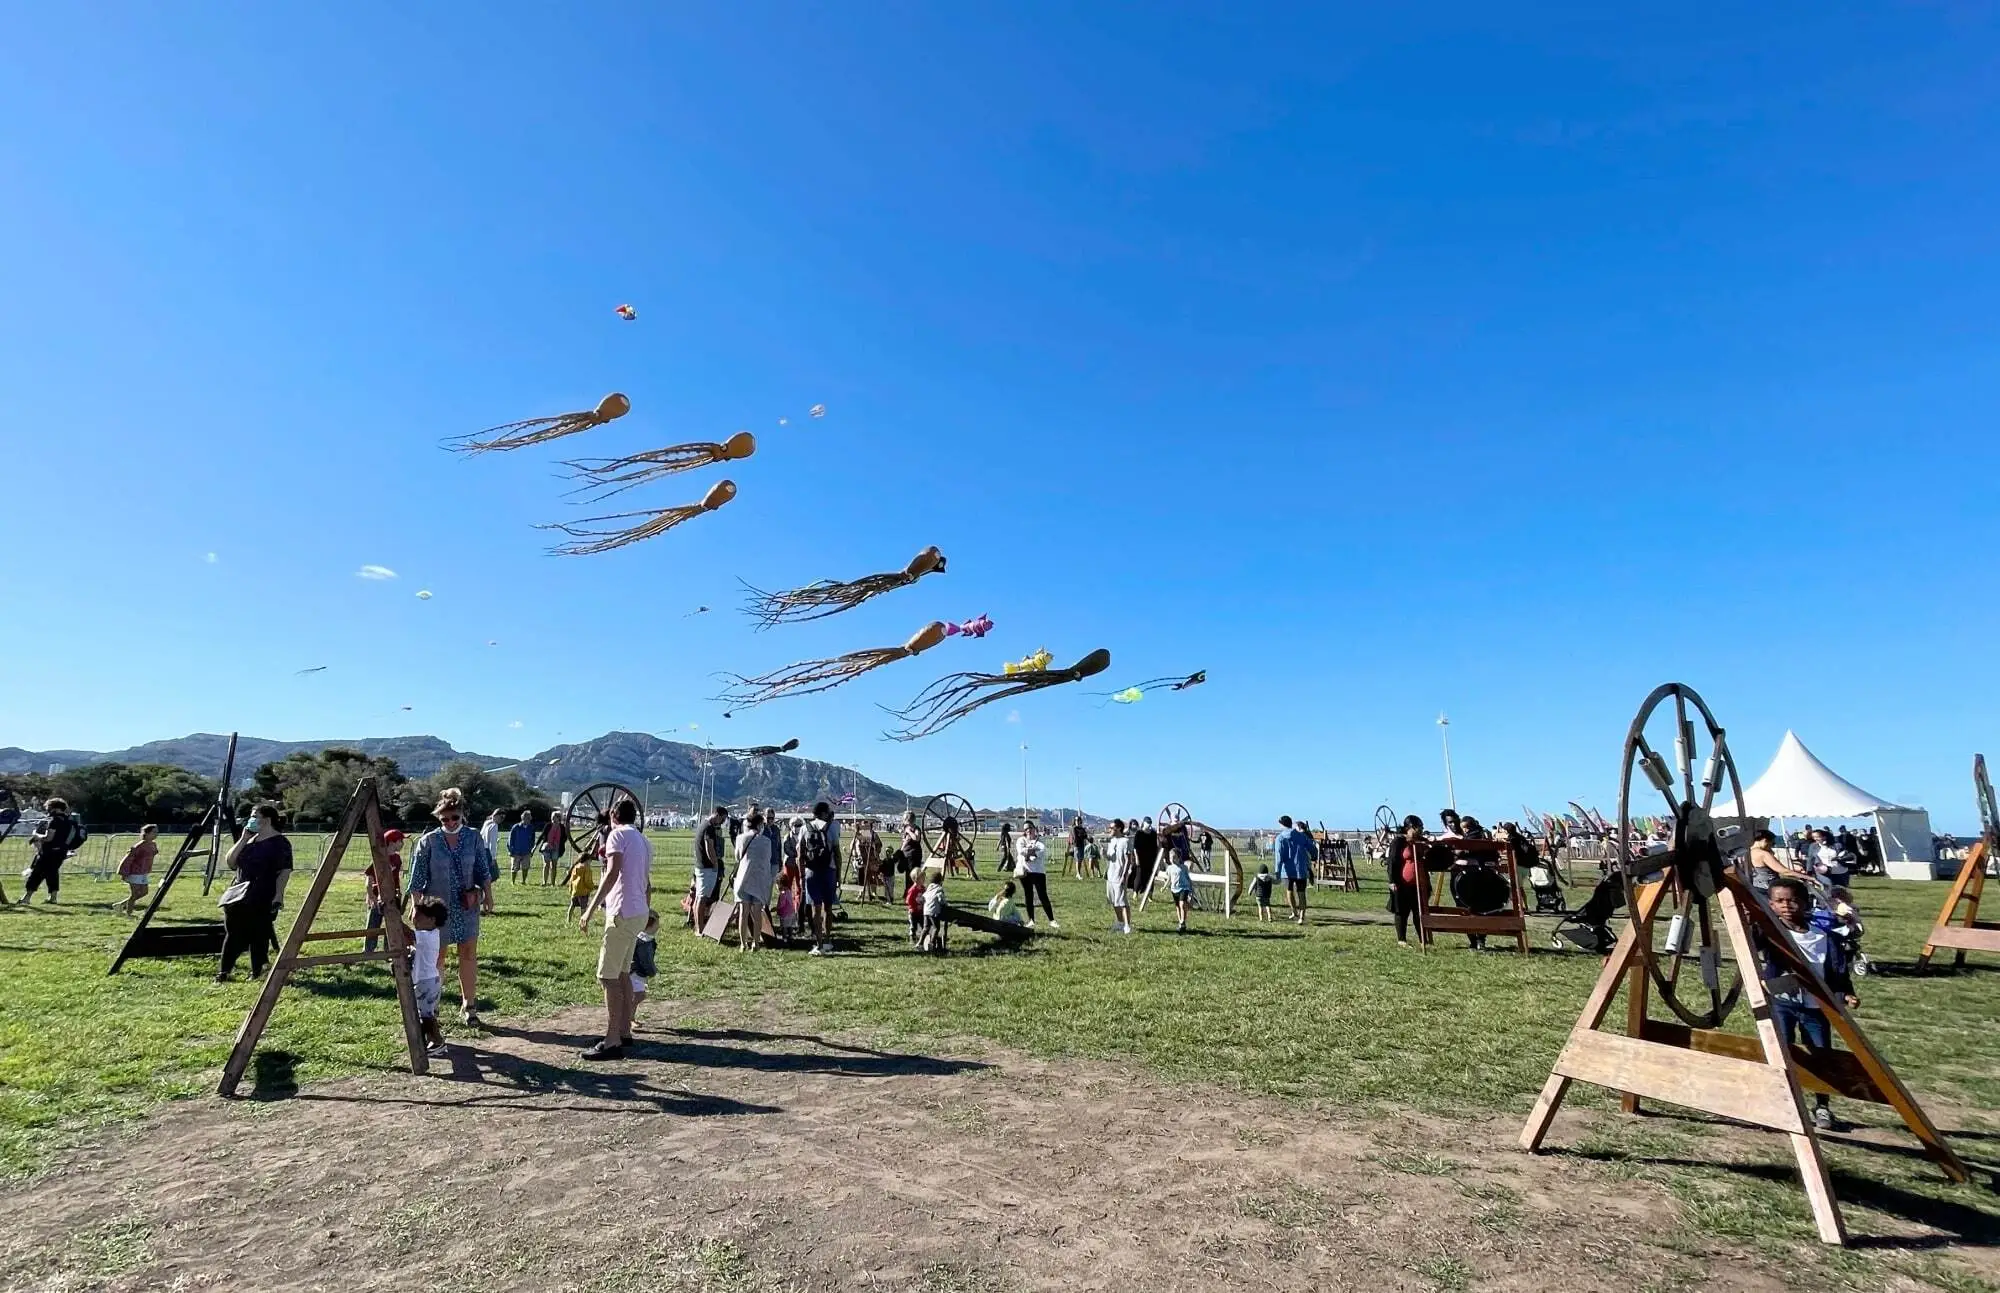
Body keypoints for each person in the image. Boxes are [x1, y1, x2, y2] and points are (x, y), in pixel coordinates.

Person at [1763, 877, 1858, 1131]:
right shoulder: (1770, 932)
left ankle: (1823, 1106)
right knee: (1781, 1051)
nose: (1786, 906)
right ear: (1771, 904)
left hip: (1816, 1007)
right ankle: (1780, 1104)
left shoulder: (1823, 936)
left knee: (1821, 1054)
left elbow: (1838, 972)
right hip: (1782, 1002)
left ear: (1804, 903)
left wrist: (1845, 992)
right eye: (1779, 901)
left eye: (1792, 900)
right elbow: (1752, 936)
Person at [410, 788, 498, 1027]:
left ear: (462, 815)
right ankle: (432, 1008)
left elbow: (483, 870)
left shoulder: (473, 838)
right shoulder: (428, 842)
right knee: (436, 958)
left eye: (454, 817)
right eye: (444, 819)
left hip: (467, 908)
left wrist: (487, 895)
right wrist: (417, 907)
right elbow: (417, 880)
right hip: (437, 910)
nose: (450, 823)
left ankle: (469, 1006)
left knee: (468, 955)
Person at [578, 798, 651, 1060]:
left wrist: (589, 908)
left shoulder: (616, 836)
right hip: (638, 912)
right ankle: (623, 1031)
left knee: (606, 977)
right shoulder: (643, 840)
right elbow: (645, 880)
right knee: (621, 973)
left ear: (613, 818)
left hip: (621, 912)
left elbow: (612, 872)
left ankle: (611, 1041)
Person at [217, 802, 292, 981]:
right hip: (238, 892)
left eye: (254, 816)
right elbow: (231, 862)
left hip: (262, 892)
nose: (250, 820)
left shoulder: (280, 843)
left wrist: (279, 894)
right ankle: (224, 971)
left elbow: (285, 870)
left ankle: (257, 970)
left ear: (266, 820)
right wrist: (243, 839)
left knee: (258, 934)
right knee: (233, 933)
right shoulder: (250, 839)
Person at [409, 893, 450, 1058]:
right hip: (429, 981)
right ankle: (428, 1039)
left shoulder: (426, 936)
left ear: (432, 920)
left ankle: (438, 1041)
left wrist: (393, 917)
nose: (414, 921)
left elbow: (407, 935)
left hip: (426, 982)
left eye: (419, 918)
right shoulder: (430, 934)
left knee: (427, 1016)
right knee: (425, 1014)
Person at [22, 797, 81, 904]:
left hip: (49, 852)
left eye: (49, 807)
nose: (48, 810)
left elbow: (49, 838)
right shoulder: (69, 821)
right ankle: (53, 897)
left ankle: (26, 898)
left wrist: (37, 836)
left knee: (36, 873)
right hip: (61, 852)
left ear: (55, 808)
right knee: (52, 873)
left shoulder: (54, 821)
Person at [802, 801, 843, 955]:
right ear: (825, 813)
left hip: (812, 871)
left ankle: (818, 943)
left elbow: (800, 854)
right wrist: (838, 874)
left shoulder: (806, 828)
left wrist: (802, 873)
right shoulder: (831, 828)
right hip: (829, 870)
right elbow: (837, 854)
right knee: (828, 907)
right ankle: (827, 940)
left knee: (815, 907)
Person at [733, 808, 775, 951]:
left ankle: (742, 943)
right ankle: (756, 942)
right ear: (760, 825)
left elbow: (738, 857)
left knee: (743, 914)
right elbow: (768, 859)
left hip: (743, 879)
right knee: (757, 914)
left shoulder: (740, 838)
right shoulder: (766, 841)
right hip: (759, 879)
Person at [364, 828, 406, 954]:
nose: (402, 844)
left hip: (392, 897)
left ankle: (390, 950)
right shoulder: (379, 858)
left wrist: (398, 891)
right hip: (378, 897)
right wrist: (370, 894)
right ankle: (368, 951)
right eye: (400, 841)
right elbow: (369, 878)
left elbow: (396, 878)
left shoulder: (397, 859)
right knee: (373, 924)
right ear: (392, 842)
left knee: (392, 924)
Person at [1388, 817, 1425, 946]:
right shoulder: (1398, 842)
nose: (1420, 830)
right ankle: (1402, 940)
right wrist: (1392, 880)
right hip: (1402, 883)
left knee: (1419, 912)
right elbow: (1392, 861)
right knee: (1402, 912)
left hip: (1419, 883)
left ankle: (1423, 940)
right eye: (1418, 827)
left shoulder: (1420, 841)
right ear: (1409, 828)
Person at [1014, 822, 1057, 930]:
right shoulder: (1021, 840)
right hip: (1025, 872)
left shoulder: (1040, 840)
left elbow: (1042, 850)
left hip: (1039, 872)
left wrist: (1033, 853)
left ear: (1034, 828)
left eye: (1030, 828)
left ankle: (1052, 920)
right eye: (1026, 829)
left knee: (1043, 896)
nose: (1028, 830)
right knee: (1028, 896)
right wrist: (1032, 851)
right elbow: (1021, 851)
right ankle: (1031, 920)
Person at [1273, 815, 1316, 925]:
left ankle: (1294, 911)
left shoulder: (1280, 838)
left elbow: (1278, 856)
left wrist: (1277, 871)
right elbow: (1311, 847)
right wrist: (1314, 856)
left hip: (1286, 870)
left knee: (1289, 891)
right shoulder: (1301, 836)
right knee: (1301, 892)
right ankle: (1302, 916)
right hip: (1300, 868)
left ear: (1282, 825)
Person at [695, 805, 729, 931]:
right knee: (702, 898)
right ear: (717, 815)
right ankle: (700, 928)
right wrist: (715, 864)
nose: (723, 822)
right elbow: (710, 848)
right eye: (723, 819)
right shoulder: (709, 828)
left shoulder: (703, 825)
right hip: (707, 867)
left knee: (699, 897)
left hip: (701, 866)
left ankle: (699, 926)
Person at [117, 825, 160, 915]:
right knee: (135, 894)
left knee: (144, 892)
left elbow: (154, 852)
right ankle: (129, 914)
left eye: (157, 832)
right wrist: (123, 872)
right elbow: (128, 858)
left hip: (143, 872)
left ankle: (120, 905)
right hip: (134, 872)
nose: (156, 834)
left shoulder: (153, 844)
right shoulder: (139, 846)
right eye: (154, 832)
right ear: (147, 833)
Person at [1103, 818, 1134, 934]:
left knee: (1122, 901)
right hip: (1110, 875)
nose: (1109, 830)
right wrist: (1104, 854)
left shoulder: (1125, 841)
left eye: (1111, 828)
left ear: (1119, 828)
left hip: (1119, 875)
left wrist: (1124, 876)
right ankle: (1120, 922)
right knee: (1113, 901)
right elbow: (1111, 858)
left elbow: (1128, 860)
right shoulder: (1112, 841)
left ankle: (1127, 925)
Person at [630, 910, 659, 1027]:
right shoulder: (644, 942)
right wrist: (652, 971)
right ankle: (626, 1015)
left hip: (635, 971)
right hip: (635, 972)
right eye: (657, 923)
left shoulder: (640, 937)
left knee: (634, 995)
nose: (659, 926)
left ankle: (630, 1018)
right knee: (639, 995)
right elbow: (645, 959)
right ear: (650, 925)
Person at [1165, 849, 1195, 933]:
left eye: (1174, 858)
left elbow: (1188, 878)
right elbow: (1168, 878)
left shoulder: (1183, 867)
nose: (1172, 860)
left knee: (1182, 904)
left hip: (1184, 888)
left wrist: (1190, 888)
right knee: (1178, 906)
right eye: (1171, 858)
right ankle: (1181, 923)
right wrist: (1164, 887)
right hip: (1174, 889)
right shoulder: (1170, 868)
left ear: (1179, 858)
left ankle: (1182, 920)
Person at [856, 818, 884, 901]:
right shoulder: (860, 834)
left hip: (872, 859)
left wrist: (874, 850)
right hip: (862, 859)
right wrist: (859, 855)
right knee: (861, 875)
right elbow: (857, 846)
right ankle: (861, 892)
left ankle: (873, 892)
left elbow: (879, 846)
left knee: (873, 876)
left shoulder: (874, 835)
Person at [507, 810, 537, 884]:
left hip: (526, 852)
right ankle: (513, 882)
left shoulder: (531, 828)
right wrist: (510, 850)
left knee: (525, 867)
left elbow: (533, 840)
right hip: (516, 852)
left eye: (530, 818)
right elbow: (510, 839)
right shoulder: (516, 827)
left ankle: (523, 881)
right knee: (514, 868)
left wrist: (531, 849)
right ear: (523, 818)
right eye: (527, 818)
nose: (529, 820)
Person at [565, 852, 596, 918]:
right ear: (587, 860)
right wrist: (591, 887)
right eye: (590, 860)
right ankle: (582, 920)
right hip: (583, 892)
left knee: (572, 906)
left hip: (575, 891)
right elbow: (587, 881)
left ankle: (568, 919)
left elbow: (571, 879)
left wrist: (571, 888)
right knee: (583, 908)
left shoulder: (576, 867)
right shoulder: (587, 869)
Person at [540, 812, 567, 885]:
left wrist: (557, 844)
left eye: (554, 817)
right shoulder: (548, 825)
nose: (552, 818)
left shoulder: (562, 827)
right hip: (547, 847)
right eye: (552, 816)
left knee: (554, 866)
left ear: (558, 818)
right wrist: (536, 846)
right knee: (546, 864)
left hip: (556, 848)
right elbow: (542, 836)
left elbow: (565, 838)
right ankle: (544, 882)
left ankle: (552, 883)